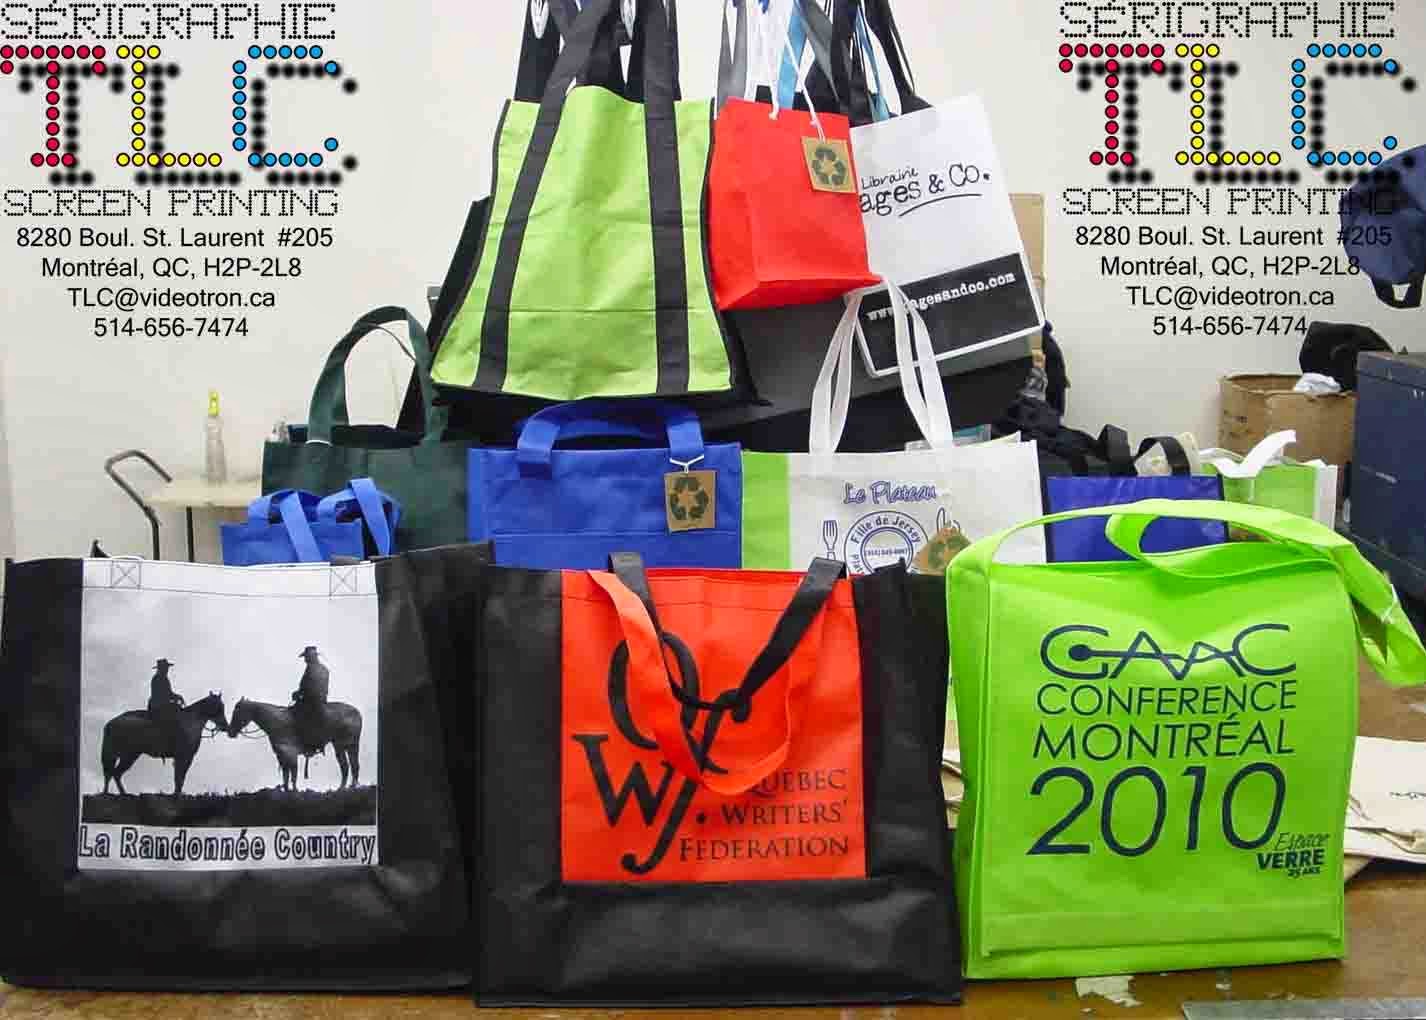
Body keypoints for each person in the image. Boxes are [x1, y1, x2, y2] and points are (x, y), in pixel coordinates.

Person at [291, 646, 330, 754]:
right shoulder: (323, 669)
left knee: (298, 716)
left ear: (311, 657)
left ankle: (307, 745)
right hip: (319, 700)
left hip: (312, 701)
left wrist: (299, 694)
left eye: (306, 657)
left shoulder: (312, 669)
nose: (305, 660)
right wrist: (299, 693)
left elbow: (309, 686)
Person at [146, 658, 184, 756]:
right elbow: (162, 694)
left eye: (167, 668)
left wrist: (177, 697)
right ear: (161, 668)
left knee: (177, 709)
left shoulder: (163, 678)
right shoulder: (158, 678)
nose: (167, 670)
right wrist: (175, 698)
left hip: (160, 704)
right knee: (176, 714)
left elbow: (169, 693)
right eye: (165, 668)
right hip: (157, 705)